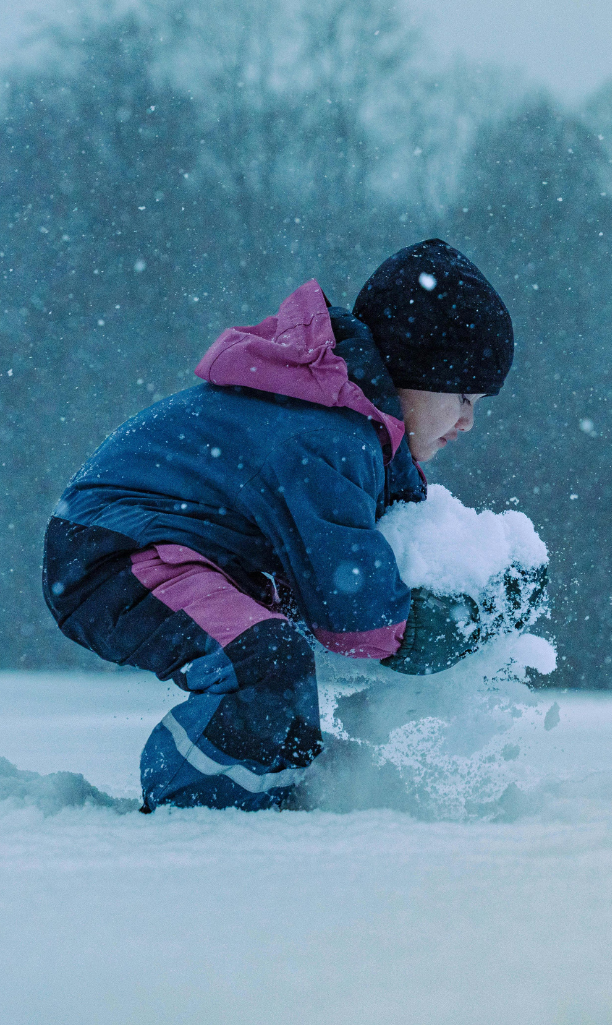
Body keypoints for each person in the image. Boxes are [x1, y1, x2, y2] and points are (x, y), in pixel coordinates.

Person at [42, 239, 514, 812]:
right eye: (463, 395)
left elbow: (381, 554)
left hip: (177, 546)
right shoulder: (327, 436)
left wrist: (482, 582)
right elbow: (354, 616)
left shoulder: (359, 437)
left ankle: (273, 790)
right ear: (412, 371)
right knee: (263, 660)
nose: (468, 421)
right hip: (117, 547)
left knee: (281, 677)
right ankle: (199, 816)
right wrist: (452, 626)